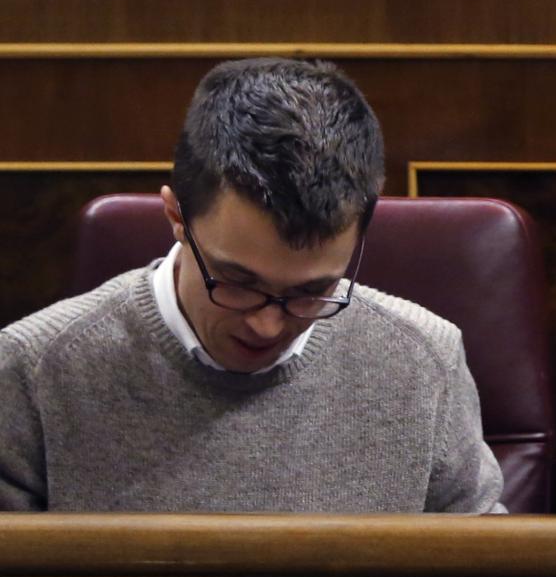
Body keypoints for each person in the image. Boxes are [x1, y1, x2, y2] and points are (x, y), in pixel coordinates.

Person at [0, 58, 506, 514]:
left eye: (312, 292)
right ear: (176, 214)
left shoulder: (425, 359)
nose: (268, 325)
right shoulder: (32, 369)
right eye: (237, 282)